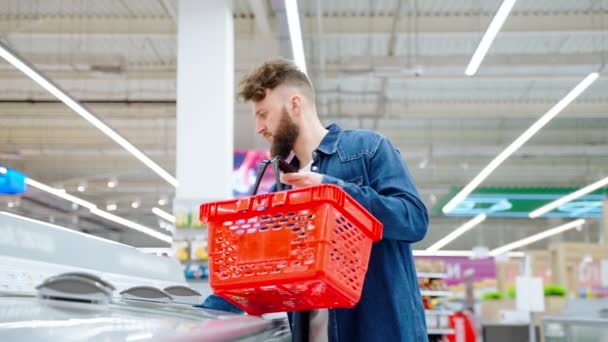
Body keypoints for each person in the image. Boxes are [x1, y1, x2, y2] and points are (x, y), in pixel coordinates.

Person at [201, 58, 430, 341]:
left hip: (378, 331)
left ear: (295, 105)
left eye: (264, 113)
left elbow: (414, 219)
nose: (259, 127)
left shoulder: (367, 150)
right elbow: (263, 271)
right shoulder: (283, 191)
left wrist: (332, 189)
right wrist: (200, 315)